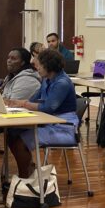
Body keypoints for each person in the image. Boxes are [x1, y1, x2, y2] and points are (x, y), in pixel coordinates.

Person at [8, 49, 78, 178]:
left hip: (64, 128)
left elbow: (48, 108)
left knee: (19, 142)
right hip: (49, 122)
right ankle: (28, 171)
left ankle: (24, 178)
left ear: (48, 65)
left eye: (39, 65)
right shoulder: (47, 79)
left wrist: (24, 104)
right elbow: (33, 100)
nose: (36, 67)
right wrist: (15, 103)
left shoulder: (62, 83)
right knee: (12, 135)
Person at [0, 48, 41, 154]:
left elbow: (12, 103)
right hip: (8, 116)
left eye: (13, 58)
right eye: (8, 58)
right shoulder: (11, 76)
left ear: (23, 62)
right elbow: (3, 98)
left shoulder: (27, 79)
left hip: (22, 120)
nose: (9, 60)